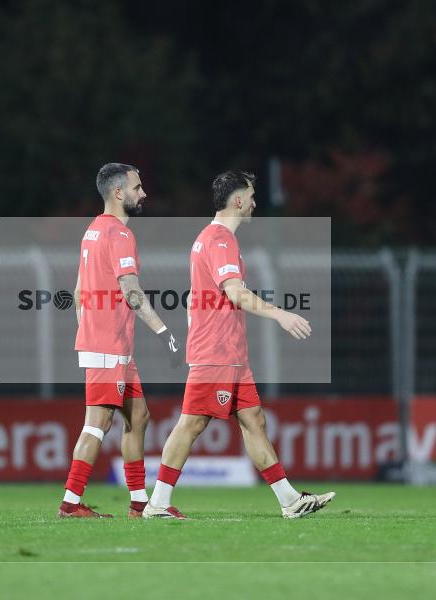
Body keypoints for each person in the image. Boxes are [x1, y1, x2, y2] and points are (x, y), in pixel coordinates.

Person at [143, 170, 335, 519]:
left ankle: (290, 500)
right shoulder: (220, 240)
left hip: (229, 352)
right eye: (251, 195)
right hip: (216, 351)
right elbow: (235, 293)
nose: (255, 203)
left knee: (254, 421)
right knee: (192, 423)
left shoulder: (207, 238)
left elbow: (195, 297)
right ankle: (157, 502)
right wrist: (281, 315)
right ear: (238, 200)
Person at [59, 163, 181, 518]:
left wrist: (90, 332)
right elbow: (131, 290)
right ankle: (70, 503)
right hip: (108, 347)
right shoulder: (119, 234)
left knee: (138, 417)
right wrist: (164, 333)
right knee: (98, 424)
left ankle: (140, 503)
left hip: (111, 346)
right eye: (137, 187)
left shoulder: (93, 231)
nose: (142, 194)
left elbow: (79, 292)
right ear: (118, 193)